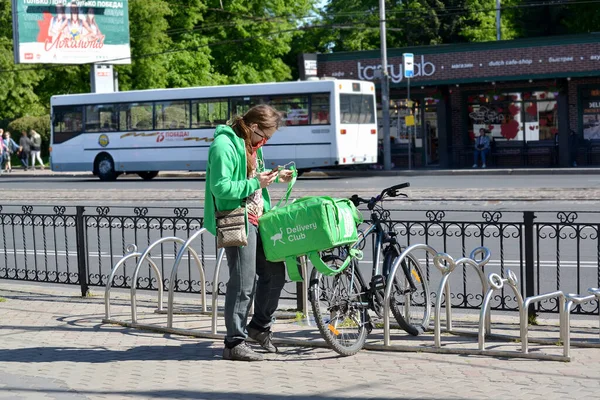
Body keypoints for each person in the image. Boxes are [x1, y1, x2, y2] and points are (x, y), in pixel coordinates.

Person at [204, 104, 294, 362]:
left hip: (258, 217)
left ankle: (259, 327)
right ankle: (234, 343)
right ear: (253, 127)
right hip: (236, 218)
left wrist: (276, 177)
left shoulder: (252, 145)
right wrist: (257, 182)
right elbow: (221, 187)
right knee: (243, 283)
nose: (266, 141)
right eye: (265, 136)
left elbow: (255, 176)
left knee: (275, 274)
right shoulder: (223, 145)